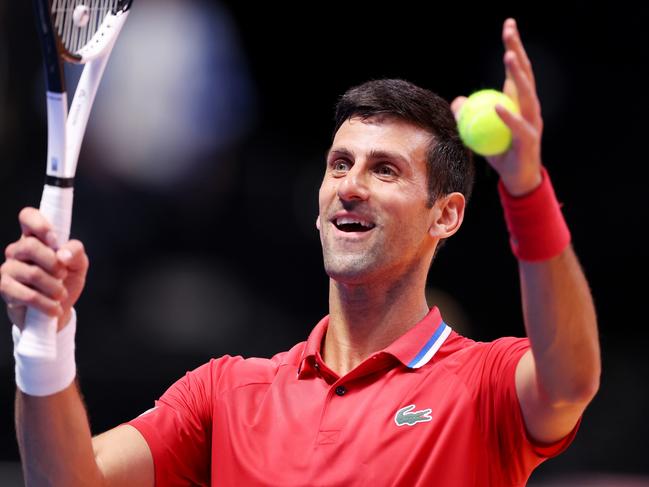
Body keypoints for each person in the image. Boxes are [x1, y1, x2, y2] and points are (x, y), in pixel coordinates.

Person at [1, 18, 600, 486]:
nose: (351, 185)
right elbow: (65, 480)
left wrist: (526, 190)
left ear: (444, 215)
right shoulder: (225, 394)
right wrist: (43, 341)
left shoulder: (482, 385)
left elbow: (570, 381)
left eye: (385, 170)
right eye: (340, 164)